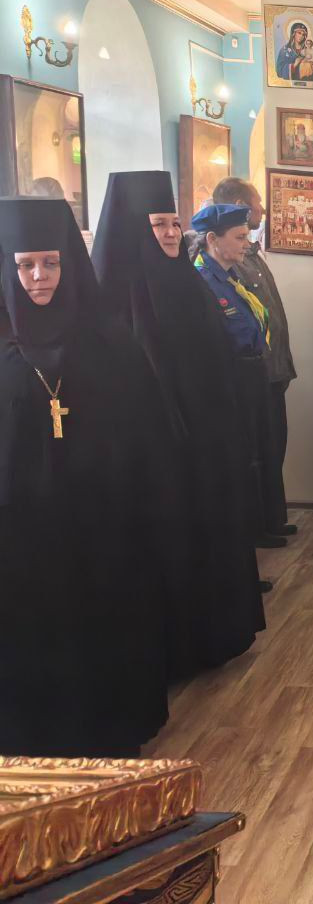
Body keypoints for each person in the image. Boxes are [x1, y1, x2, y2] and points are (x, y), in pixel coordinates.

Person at [0, 196, 169, 756]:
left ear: (68, 263)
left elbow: (141, 430)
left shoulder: (108, 342)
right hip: (23, 531)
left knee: (102, 618)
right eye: (25, 265)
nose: (39, 277)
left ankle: (108, 724)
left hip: (99, 519)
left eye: (50, 263)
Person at [92, 171, 263, 674]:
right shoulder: (113, 299)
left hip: (205, 445)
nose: (169, 233)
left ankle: (211, 639)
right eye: (157, 224)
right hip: (155, 452)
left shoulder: (188, 282)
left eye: (173, 223)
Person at [191, 203, 284, 550]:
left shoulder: (231, 277)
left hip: (252, 371)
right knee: (241, 457)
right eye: (239, 237)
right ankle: (244, 535)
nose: (247, 243)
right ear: (213, 240)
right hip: (231, 377)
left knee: (258, 451)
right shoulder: (202, 280)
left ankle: (260, 524)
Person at [210, 177, 295, 538]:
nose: (263, 209)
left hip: (272, 370)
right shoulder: (219, 266)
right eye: (258, 202)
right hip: (251, 373)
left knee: (274, 446)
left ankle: (271, 518)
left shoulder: (251, 254)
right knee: (256, 451)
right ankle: (258, 525)